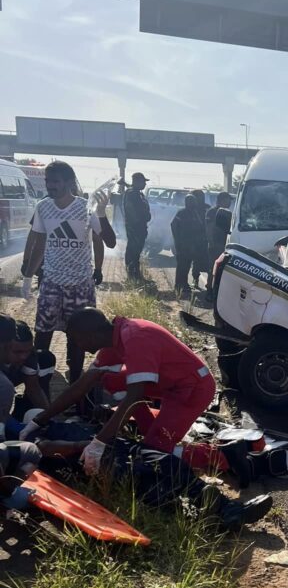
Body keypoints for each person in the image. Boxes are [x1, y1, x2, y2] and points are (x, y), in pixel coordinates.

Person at [20, 308, 216, 475]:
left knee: (154, 452)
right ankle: (149, 427)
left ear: (91, 335)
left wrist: (99, 442)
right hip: (170, 381)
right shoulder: (114, 339)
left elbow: (135, 396)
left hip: (192, 389)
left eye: (77, 340)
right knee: (107, 377)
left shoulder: (136, 338)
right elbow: (80, 386)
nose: (78, 346)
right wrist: (40, 420)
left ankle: (221, 456)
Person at [19, 161, 116, 383]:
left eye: (55, 181)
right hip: (51, 282)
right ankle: (39, 382)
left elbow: (109, 241)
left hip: (80, 285)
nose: (50, 186)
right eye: (47, 181)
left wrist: (101, 213)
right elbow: (40, 244)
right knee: (42, 334)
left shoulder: (86, 208)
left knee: (78, 338)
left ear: (69, 183)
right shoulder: (43, 207)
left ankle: (74, 382)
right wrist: (27, 277)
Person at [1, 321, 54, 418]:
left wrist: (47, 417)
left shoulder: (30, 356)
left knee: (45, 358)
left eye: (28, 351)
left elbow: (33, 388)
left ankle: (23, 409)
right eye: (18, 352)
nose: (24, 357)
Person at [171, 194, 205, 294]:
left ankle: (184, 284)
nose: (194, 204)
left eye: (194, 202)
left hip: (192, 245)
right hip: (183, 245)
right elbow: (173, 226)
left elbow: (200, 226)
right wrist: (177, 241)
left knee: (186, 266)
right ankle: (178, 286)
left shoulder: (195, 213)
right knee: (182, 266)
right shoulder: (182, 213)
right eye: (191, 202)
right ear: (187, 203)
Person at [123, 172, 151, 281]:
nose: (144, 184)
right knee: (133, 250)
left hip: (140, 227)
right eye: (143, 181)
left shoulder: (138, 193)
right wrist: (137, 223)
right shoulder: (131, 194)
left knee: (137, 251)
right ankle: (132, 274)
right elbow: (131, 211)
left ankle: (135, 273)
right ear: (137, 182)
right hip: (135, 227)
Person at [204, 191, 233, 297]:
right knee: (213, 268)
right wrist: (211, 242)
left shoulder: (227, 212)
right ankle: (209, 290)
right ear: (221, 200)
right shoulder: (212, 212)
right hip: (215, 244)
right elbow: (209, 228)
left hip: (224, 244)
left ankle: (217, 290)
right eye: (227, 200)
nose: (229, 203)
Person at [190, 190, 210, 289]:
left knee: (209, 261)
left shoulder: (207, 209)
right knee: (196, 261)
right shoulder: (191, 210)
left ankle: (210, 283)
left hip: (207, 239)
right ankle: (195, 279)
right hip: (195, 240)